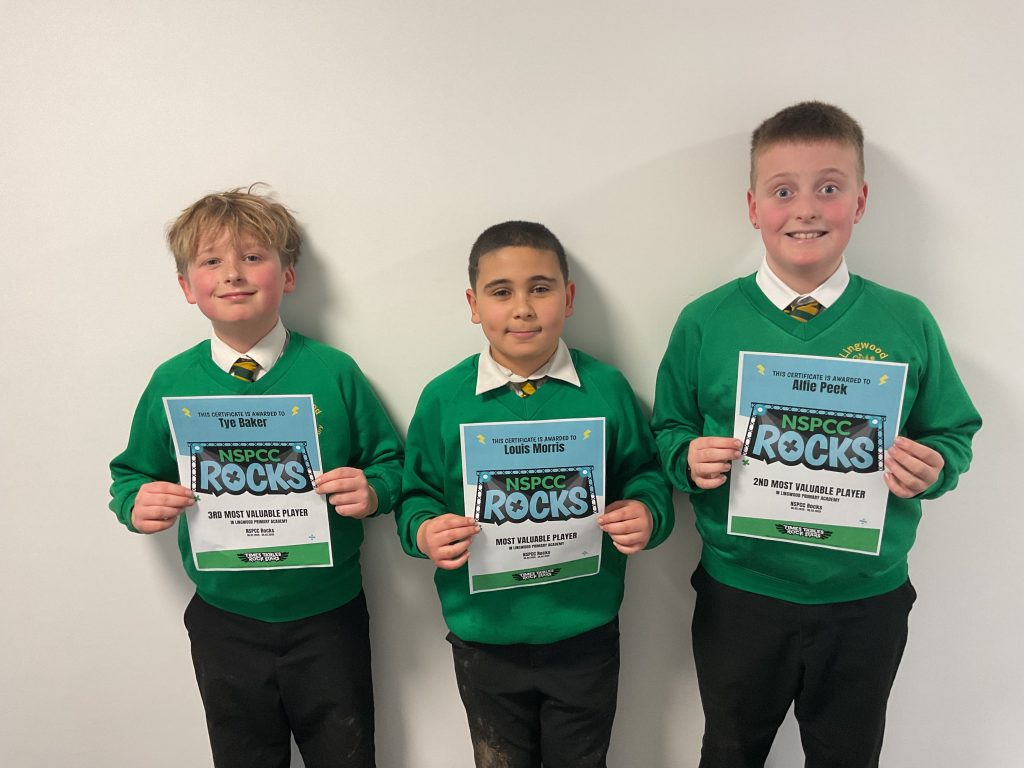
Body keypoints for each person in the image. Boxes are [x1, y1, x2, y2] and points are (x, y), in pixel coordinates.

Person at [652, 101, 982, 768]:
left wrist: (936, 467)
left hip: (864, 598)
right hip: (741, 594)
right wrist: (686, 457)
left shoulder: (906, 321)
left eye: (828, 188)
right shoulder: (705, 321)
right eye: (783, 191)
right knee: (730, 751)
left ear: (859, 201)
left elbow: (953, 430)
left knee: (848, 755)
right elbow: (668, 427)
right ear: (753, 208)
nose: (805, 209)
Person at [109, 186, 402, 768]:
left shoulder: (334, 372)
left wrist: (372, 491)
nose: (233, 274)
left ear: (288, 276)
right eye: (211, 261)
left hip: (329, 615)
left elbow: (391, 463)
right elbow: (131, 474)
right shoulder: (171, 382)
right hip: (224, 620)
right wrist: (136, 503)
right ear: (187, 287)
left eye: (252, 256)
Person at [397, 220, 673, 768]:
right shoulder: (444, 398)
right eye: (501, 292)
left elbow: (646, 473)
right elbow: (415, 496)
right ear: (474, 305)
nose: (522, 308)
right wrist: (425, 531)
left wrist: (647, 512)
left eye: (540, 289)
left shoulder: (607, 389)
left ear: (567, 298)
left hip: (585, 633)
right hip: (484, 637)